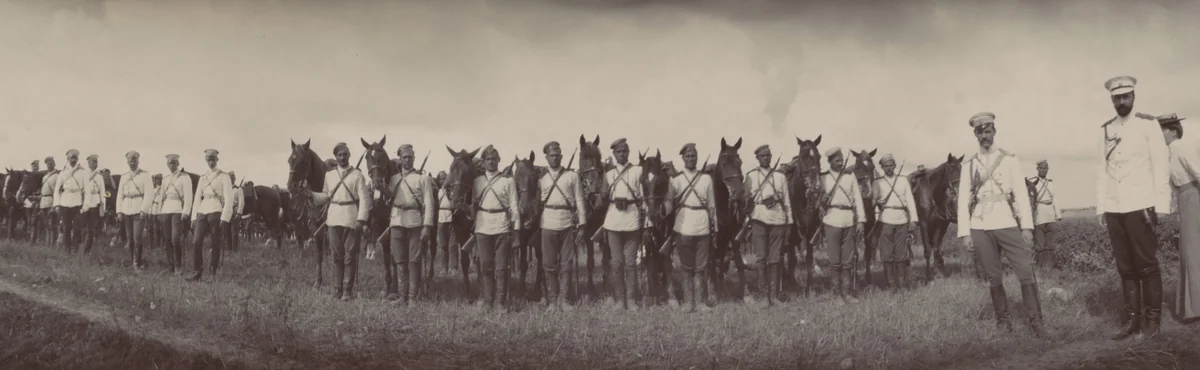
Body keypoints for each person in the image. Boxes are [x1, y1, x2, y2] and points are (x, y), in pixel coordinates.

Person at [1096, 76, 1171, 341]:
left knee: (1147, 266)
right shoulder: (1106, 129)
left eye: (1125, 96)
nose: (1121, 101)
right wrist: (1102, 207)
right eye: (1116, 98)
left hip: (1141, 205)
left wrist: (1161, 205)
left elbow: (1161, 166)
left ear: (1133, 96)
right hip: (1115, 207)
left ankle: (1152, 323)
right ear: (1112, 100)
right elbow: (1103, 171)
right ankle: (1132, 322)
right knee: (1126, 268)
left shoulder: (1148, 125)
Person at [956, 112, 1044, 336]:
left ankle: (1036, 322)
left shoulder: (1009, 159)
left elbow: (1022, 195)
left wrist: (1026, 227)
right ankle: (1003, 322)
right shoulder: (968, 164)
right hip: (980, 224)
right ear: (975, 134)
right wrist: (965, 233)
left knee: (1025, 270)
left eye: (988, 131)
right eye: (979, 132)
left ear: (994, 131)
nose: (984, 136)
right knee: (993, 276)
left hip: (1006, 220)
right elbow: (963, 200)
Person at [308, 143, 372, 300]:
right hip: (334, 219)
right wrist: (310, 194)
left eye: (345, 154)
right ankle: (337, 289)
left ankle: (347, 291)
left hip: (351, 219)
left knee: (350, 256)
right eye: (339, 155)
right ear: (335, 157)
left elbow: (365, 200)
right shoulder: (329, 175)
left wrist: (361, 220)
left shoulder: (357, 175)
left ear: (349, 155)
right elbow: (325, 197)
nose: (342, 157)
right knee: (337, 256)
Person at [1157, 113, 1200, 323]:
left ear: (1173, 131)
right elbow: (1173, 188)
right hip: (1185, 201)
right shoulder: (1169, 153)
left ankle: (1195, 309)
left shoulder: (1181, 148)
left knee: (1192, 253)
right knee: (1187, 252)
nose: (1160, 134)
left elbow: (1198, 173)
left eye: (1162, 130)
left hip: (1193, 198)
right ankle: (1191, 308)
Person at [665, 143, 717, 312]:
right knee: (686, 266)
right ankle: (688, 302)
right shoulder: (676, 180)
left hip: (702, 226)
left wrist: (714, 227)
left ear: (697, 157)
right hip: (683, 227)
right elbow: (669, 204)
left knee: (701, 266)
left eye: (693, 156)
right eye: (687, 156)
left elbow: (711, 205)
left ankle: (700, 302)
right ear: (683, 159)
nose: (690, 159)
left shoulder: (706, 179)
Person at [472, 145, 522, 312]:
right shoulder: (477, 182)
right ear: (483, 162)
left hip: (502, 227)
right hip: (482, 227)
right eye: (488, 159)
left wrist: (516, 232)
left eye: (494, 159)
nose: (491, 162)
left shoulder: (508, 181)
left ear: (499, 160)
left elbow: (514, 207)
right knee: (486, 266)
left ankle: (500, 302)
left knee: (501, 267)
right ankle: (487, 300)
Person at [538, 141, 587, 311]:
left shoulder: (572, 176)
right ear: (546, 157)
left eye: (557, 155)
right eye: (551, 156)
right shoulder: (541, 178)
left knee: (567, 264)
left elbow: (580, 201)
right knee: (549, 264)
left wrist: (582, 225)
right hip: (547, 224)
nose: (555, 158)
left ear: (561, 156)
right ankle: (552, 301)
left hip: (567, 224)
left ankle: (564, 300)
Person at [741, 144, 792, 307]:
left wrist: (789, 222)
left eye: (768, 155)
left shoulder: (780, 177)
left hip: (778, 219)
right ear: (757, 158)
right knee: (761, 258)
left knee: (775, 259)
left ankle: (774, 296)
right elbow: (745, 201)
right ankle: (764, 297)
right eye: (763, 156)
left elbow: (787, 202)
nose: (766, 158)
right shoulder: (750, 176)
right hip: (759, 219)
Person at [386, 143, 437, 307]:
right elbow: (388, 199)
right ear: (399, 160)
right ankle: (402, 296)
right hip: (396, 221)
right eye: (404, 157)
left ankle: (413, 297)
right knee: (400, 260)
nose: (407, 160)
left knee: (414, 260)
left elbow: (429, 203)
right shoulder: (393, 179)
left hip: (415, 221)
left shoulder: (423, 179)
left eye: (410, 157)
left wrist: (427, 226)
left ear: (414, 159)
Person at [601, 138, 648, 311]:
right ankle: (619, 300)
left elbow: (644, 197)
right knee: (616, 263)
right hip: (613, 221)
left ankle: (631, 300)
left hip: (632, 220)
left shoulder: (637, 171)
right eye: (618, 152)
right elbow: (603, 197)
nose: (622, 154)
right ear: (613, 154)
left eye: (624, 151)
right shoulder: (608, 175)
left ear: (629, 152)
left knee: (630, 263)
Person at [820, 147, 865, 305]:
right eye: (836, 161)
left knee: (847, 260)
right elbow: (816, 201)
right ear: (830, 162)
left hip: (849, 220)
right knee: (835, 260)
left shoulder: (850, 176)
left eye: (841, 160)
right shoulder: (823, 178)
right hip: (832, 219)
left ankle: (846, 293)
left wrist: (861, 220)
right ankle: (836, 294)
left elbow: (858, 199)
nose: (840, 163)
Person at [872, 154, 919, 292]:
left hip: (902, 220)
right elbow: (874, 203)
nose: (889, 168)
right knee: (887, 254)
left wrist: (914, 219)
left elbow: (910, 200)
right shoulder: (877, 183)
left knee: (901, 254)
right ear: (882, 168)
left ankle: (902, 283)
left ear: (894, 166)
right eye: (886, 166)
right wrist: (876, 215)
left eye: (891, 165)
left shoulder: (903, 181)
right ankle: (891, 284)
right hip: (885, 220)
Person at [189, 149, 237, 282]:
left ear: (217, 160)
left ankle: (212, 271)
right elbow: (197, 197)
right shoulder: (203, 177)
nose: (210, 161)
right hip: (203, 209)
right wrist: (194, 216)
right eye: (208, 159)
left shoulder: (224, 176)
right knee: (196, 241)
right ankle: (197, 271)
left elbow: (228, 198)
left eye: (213, 159)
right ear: (206, 160)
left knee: (215, 242)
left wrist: (225, 216)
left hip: (216, 209)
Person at [116, 151, 154, 270]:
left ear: (138, 161)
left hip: (139, 209)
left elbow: (149, 194)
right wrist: (119, 211)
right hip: (126, 209)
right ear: (127, 162)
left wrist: (144, 209)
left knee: (138, 238)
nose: (132, 163)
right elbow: (119, 195)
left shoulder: (145, 175)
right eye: (130, 161)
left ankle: (137, 263)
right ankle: (134, 261)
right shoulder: (124, 176)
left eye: (135, 160)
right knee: (130, 238)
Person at [159, 154, 194, 275]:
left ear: (178, 164)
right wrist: (160, 211)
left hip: (178, 209)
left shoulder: (185, 177)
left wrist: (186, 211)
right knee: (167, 239)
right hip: (166, 209)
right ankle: (171, 266)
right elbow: (161, 197)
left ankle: (178, 266)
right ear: (167, 164)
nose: (172, 165)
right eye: (169, 163)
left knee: (175, 239)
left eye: (174, 163)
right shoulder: (165, 179)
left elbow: (189, 196)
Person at [1028, 160, 1063, 270]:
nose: (1043, 170)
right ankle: (1040, 268)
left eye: (1045, 168)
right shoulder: (1032, 182)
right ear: (1037, 169)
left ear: (1048, 169)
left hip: (1050, 215)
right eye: (1041, 168)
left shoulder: (1051, 183)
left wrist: (1058, 215)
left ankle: (1049, 267)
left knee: (1051, 245)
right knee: (1039, 245)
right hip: (1039, 215)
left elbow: (1055, 199)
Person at [53, 149, 87, 253]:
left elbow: (87, 189)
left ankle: (74, 248)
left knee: (77, 228)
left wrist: (86, 204)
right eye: (71, 157)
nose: (73, 159)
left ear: (77, 158)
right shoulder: (63, 173)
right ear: (67, 158)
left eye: (75, 157)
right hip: (65, 201)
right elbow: (57, 189)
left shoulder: (82, 172)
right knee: (66, 228)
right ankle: (67, 249)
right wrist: (57, 204)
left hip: (78, 202)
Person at [81, 154, 107, 254]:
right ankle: (80, 246)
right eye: (93, 161)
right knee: (82, 226)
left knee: (91, 228)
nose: (95, 163)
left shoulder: (99, 177)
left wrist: (102, 207)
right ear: (88, 163)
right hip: (84, 203)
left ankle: (86, 250)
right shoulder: (83, 174)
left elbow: (102, 192)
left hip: (95, 204)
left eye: (96, 161)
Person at [38, 156, 60, 246]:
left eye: (51, 164)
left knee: (52, 225)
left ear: (54, 165)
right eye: (47, 164)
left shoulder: (56, 176)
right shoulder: (45, 177)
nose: (49, 166)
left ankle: (52, 245)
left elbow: (57, 192)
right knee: (46, 225)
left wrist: (54, 206)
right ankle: (47, 245)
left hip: (51, 202)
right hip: (43, 202)